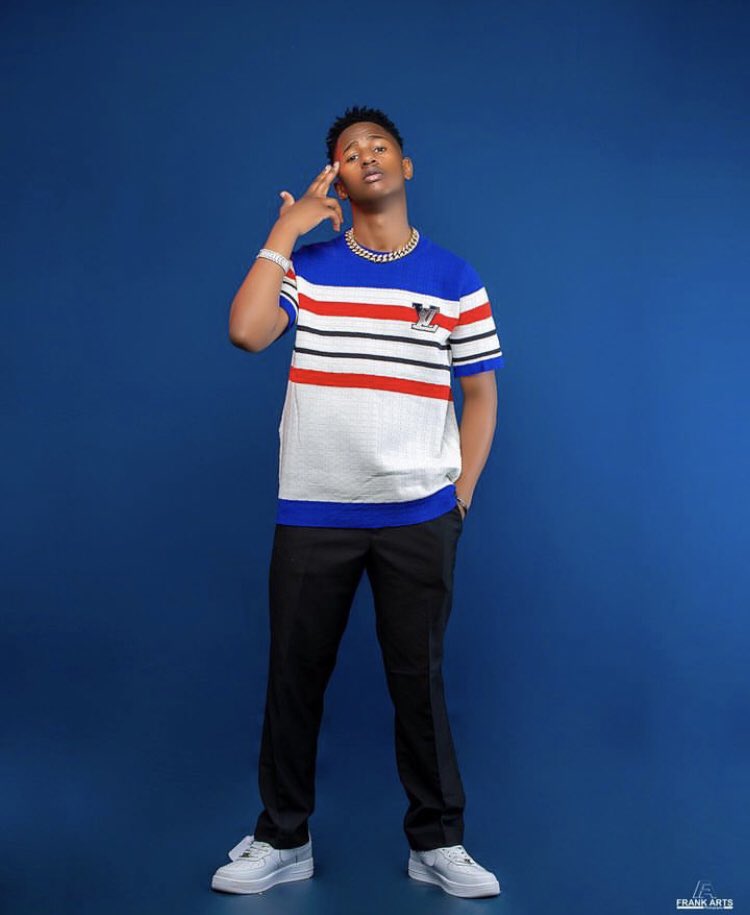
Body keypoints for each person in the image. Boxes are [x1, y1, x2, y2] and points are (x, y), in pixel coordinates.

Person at [210, 105, 504, 899]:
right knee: (294, 676)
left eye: (380, 146)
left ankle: (437, 841)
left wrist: (459, 497)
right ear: (334, 178)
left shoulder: (454, 278)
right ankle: (283, 837)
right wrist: (286, 230)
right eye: (348, 152)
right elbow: (246, 331)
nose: (366, 156)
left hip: (419, 515)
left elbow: (481, 394)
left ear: (405, 166)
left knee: (420, 681)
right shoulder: (306, 266)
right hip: (315, 511)